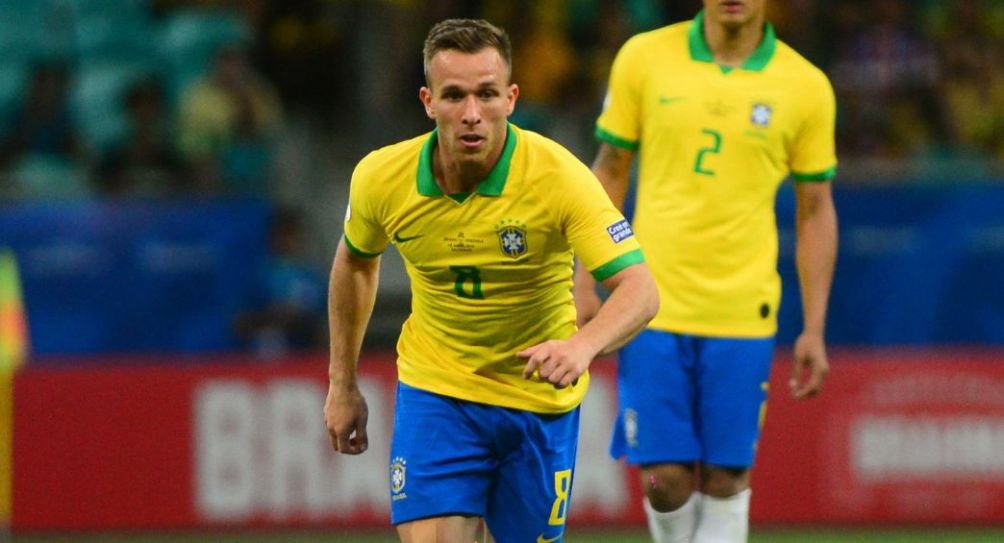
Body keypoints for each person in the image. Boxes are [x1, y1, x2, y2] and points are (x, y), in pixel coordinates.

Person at [324, 18, 658, 543]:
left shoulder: (559, 178)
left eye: (486, 94)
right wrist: (342, 383)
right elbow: (355, 263)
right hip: (439, 391)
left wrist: (582, 346)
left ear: (511, 98)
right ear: (428, 102)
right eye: (454, 96)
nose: (471, 114)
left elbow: (640, 289)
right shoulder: (381, 178)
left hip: (537, 402)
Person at [574, 1, 838, 542]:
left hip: (742, 312)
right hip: (648, 307)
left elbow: (815, 209)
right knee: (663, 481)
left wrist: (814, 328)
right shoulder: (644, 58)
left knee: (727, 476)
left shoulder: (806, 86)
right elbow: (610, 170)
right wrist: (582, 279)